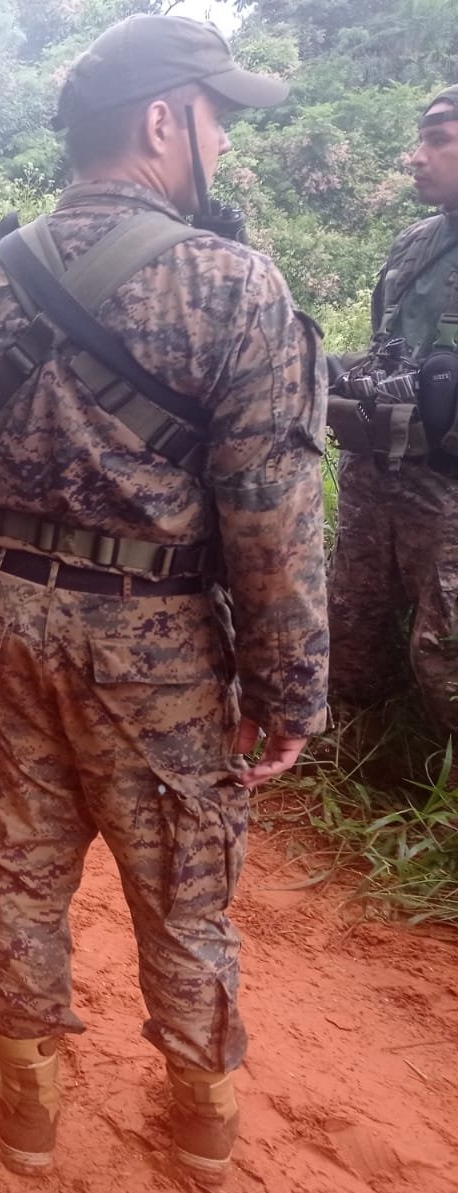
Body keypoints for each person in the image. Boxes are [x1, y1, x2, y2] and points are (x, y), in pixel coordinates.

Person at [0, 14, 327, 1184]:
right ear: (162, 120)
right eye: (216, 115)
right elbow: (270, 512)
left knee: (20, 865)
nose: (221, 140)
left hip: (16, 617)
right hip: (158, 642)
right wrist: (287, 686)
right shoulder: (235, 287)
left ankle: (25, 1104)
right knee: (183, 885)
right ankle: (203, 1121)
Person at [327, 85, 458, 737]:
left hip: (448, 485)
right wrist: (336, 373)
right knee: (349, 619)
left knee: (446, 650)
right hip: (376, 470)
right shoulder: (414, 243)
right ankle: (357, 751)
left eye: (438, 139)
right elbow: (387, 348)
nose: (416, 157)